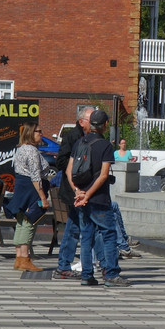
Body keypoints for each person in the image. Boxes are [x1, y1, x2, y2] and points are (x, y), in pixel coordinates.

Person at [69, 108, 130, 287]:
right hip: (99, 199)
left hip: (82, 199)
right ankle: (111, 274)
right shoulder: (105, 145)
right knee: (109, 234)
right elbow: (103, 175)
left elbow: (69, 170)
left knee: (86, 236)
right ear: (104, 125)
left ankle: (87, 275)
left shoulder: (79, 142)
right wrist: (88, 194)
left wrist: (78, 192)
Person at [3, 121, 52, 273]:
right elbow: (35, 175)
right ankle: (24, 258)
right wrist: (43, 197)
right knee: (29, 221)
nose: (41, 134)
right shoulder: (31, 150)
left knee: (21, 221)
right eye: (38, 131)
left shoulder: (21, 149)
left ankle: (19, 258)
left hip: (21, 186)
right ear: (30, 133)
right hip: (31, 188)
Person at [52, 107, 93, 280]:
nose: (95, 123)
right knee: (76, 228)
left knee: (76, 227)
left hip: (82, 190)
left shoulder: (89, 137)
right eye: (92, 120)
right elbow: (61, 161)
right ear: (81, 121)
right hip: (74, 190)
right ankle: (68, 265)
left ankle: (67, 264)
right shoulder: (73, 137)